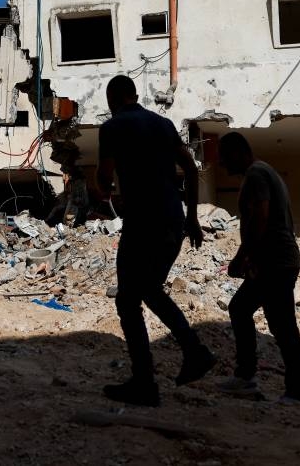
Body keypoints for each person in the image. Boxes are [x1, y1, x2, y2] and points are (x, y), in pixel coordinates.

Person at [96, 75, 215, 407]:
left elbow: (104, 179)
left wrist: (102, 185)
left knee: (128, 301)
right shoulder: (163, 124)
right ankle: (192, 352)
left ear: (112, 101)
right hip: (173, 221)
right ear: (135, 96)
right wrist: (191, 217)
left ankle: (146, 382)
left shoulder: (112, 128)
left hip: (142, 223)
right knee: (149, 289)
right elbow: (191, 170)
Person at [216, 132, 300, 404]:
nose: (222, 164)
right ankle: (249, 377)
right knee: (248, 311)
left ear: (237, 152)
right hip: (277, 260)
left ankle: (296, 389)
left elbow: (260, 216)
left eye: (224, 157)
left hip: (276, 261)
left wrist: (243, 257)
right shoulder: (263, 171)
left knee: (280, 325)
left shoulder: (256, 175)